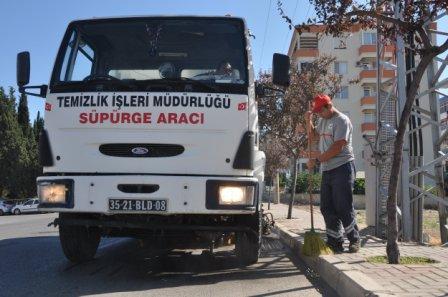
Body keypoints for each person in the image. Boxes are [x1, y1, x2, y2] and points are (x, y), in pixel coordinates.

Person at [305, 94, 360, 253]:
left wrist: (316, 160)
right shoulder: (323, 121)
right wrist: (308, 121)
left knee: (343, 206)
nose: (318, 115)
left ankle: (354, 239)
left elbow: (338, 146)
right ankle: (335, 241)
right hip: (327, 169)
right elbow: (313, 137)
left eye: (320, 111)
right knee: (327, 207)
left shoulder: (342, 121)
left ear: (329, 106)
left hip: (343, 167)